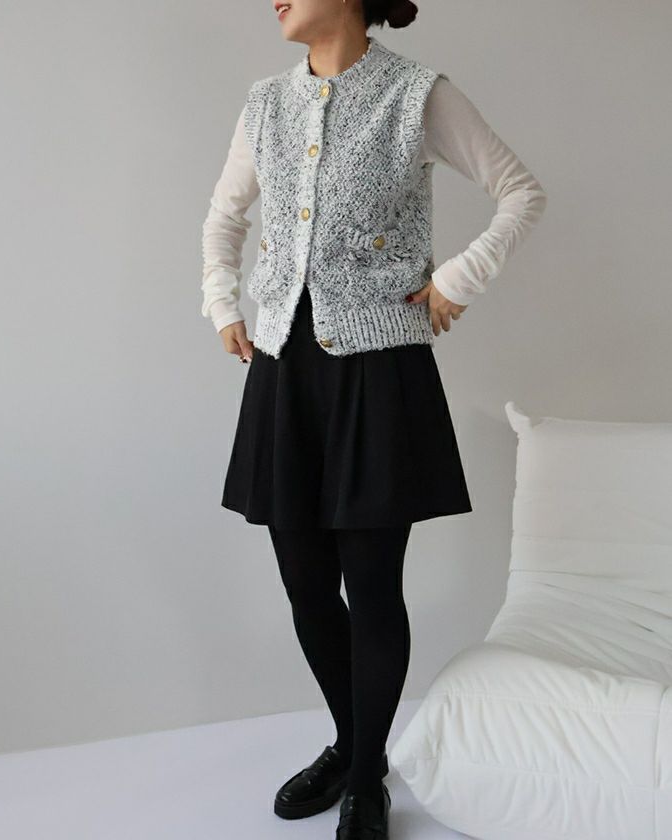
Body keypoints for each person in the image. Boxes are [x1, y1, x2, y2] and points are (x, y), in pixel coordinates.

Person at [201, 1, 547, 837]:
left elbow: (520, 192)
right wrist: (222, 301)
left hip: (379, 371)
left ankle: (363, 778)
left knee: (372, 583)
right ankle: (354, 743)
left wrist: (456, 280)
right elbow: (225, 215)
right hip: (284, 370)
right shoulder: (265, 104)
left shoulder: (417, 94)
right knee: (305, 583)